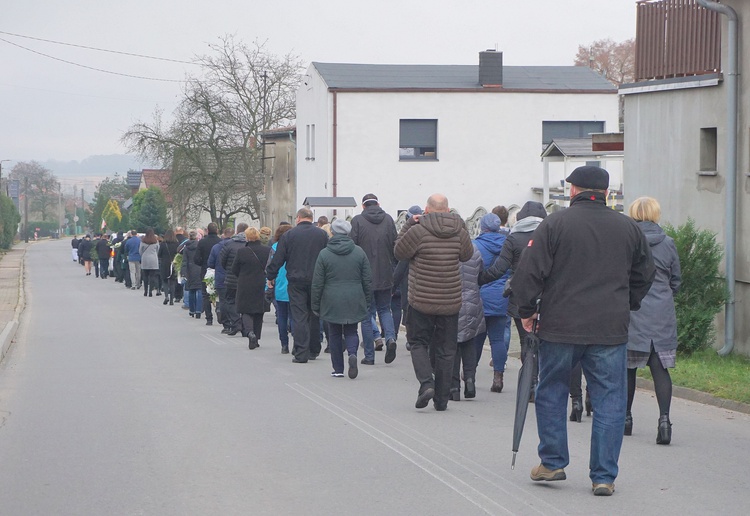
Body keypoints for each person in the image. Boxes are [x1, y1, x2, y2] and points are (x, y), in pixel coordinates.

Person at [512, 165, 655, 496]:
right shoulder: (628, 228)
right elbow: (646, 273)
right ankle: (603, 475)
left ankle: (552, 462)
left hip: (560, 325)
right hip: (610, 328)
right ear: (606, 193)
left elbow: (529, 271)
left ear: (573, 191)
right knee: (609, 399)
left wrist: (526, 311)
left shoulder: (555, 224)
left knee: (551, 391)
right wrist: (628, 301)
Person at [394, 194, 473, 411]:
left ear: (426, 210)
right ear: (448, 210)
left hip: (421, 300)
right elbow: (467, 255)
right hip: (450, 300)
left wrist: (409, 224)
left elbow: (399, 251)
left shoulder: (418, 231)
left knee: (418, 342)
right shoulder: (459, 231)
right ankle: (441, 400)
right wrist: (462, 228)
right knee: (447, 350)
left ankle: (426, 383)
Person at [626, 197, 681, 444]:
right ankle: (664, 421)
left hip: (633, 310)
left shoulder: (627, 240)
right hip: (661, 312)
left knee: (627, 370)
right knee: (660, 369)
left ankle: (626, 419)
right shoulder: (668, 243)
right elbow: (676, 281)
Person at [479, 201, 547, 402]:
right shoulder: (551, 235)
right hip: (549, 296)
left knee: (527, 341)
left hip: (521, 297)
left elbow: (500, 268)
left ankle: (530, 386)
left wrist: (480, 279)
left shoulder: (513, 238)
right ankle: (543, 382)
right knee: (546, 341)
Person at [311, 219, 372, 379]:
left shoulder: (324, 253)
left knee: (335, 333)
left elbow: (317, 282)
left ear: (332, 232)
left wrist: (315, 304)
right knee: (352, 329)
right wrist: (367, 300)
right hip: (354, 295)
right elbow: (367, 279)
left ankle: (338, 368)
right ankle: (352, 353)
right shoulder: (359, 252)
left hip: (331, 297)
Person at [266, 208, 328, 363]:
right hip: (316, 280)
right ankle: (314, 349)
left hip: (296, 280)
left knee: (299, 316)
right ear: (311, 218)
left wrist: (270, 276)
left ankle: (301, 352)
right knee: (314, 314)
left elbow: (279, 259)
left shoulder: (289, 235)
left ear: (298, 218)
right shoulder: (322, 235)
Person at [350, 193, 398, 365]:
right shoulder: (389, 220)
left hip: (364, 275)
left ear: (363, 206)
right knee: (385, 310)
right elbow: (396, 245)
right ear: (378, 204)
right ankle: (391, 338)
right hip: (386, 273)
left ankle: (369, 356)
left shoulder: (357, 221)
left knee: (366, 314)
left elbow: (352, 247)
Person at [473, 213, 510, 393]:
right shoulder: (508, 245)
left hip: (480, 296)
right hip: (502, 297)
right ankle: (498, 376)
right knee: (497, 339)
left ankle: (470, 373)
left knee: (477, 338)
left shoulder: (476, 245)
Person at [452, 242, 485, 401]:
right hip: (473, 300)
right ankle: (470, 379)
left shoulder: (448, 249)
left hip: (452, 300)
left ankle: (454, 387)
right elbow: (480, 272)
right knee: (469, 342)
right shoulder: (474, 249)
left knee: (452, 345)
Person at [232, 227, 272, 349]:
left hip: (245, 284)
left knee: (246, 310)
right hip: (261, 283)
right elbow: (270, 267)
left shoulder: (242, 252)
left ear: (247, 237)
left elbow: (234, 269)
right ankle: (257, 337)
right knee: (259, 311)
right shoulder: (267, 250)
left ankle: (250, 332)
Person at [392, 205, 423, 351]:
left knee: (409, 312)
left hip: (409, 282)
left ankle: (412, 340)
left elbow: (401, 264)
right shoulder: (427, 232)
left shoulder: (410, 235)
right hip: (426, 282)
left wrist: (393, 285)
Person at [220, 223, 250, 334]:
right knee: (245, 302)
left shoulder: (229, 244)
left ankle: (236, 323)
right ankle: (245, 325)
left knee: (230, 301)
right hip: (247, 279)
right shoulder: (249, 244)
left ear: (237, 231)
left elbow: (222, 261)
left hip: (231, 278)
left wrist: (229, 270)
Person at [269, 223, 293, 353]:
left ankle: (284, 344)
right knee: (295, 316)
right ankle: (297, 342)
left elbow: (270, 265)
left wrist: (269, 280)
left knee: (282, 316)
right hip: (294, 284)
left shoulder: (274, 247)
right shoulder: (296, 246)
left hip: (279, 284)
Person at [208, 227, 235, 333]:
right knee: (234, 301)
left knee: (223, 301)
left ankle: (226, 324)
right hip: (234, 278)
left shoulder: (216, 247)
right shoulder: (238, 246)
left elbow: (210, 263)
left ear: (224, 234)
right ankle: (235, 321)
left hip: (220, 277)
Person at [195, 222, 221, 326]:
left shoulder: (202, 243)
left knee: (206, 295)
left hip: (205, 270)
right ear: (217, 231)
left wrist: (202, 263)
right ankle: (219, 309)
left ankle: (209, 318)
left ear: (207, 231)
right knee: (219, 292)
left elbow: (196, 258)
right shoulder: (221, 242)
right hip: (219, 270)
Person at [181, 230, 203, 317]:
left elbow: (184, 260)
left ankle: (192, 310)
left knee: (191, 290)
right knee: (200, 290)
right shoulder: (200, 246)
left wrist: (183, 272)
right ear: (197, 237)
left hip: (189, 269)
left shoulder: (186, 247)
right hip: (199, 268)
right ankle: (198, 310)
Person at [158, 229, 180, 305]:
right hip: (174, 264)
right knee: (173, 282)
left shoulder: (163, 244)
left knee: (165, 281)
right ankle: (171, 300)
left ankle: (166, 296)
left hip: (164, 264)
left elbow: (159, 254)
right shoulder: (177, 244)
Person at [139, 228, 160, 296]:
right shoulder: (156, 241)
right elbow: (158, 250)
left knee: (145, 276)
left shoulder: (143, 241)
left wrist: (143, 255)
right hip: (153, 260)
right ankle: (150, 291)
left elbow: (140, 251)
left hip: (145, 259)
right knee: (152, 277)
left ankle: (145, 291)